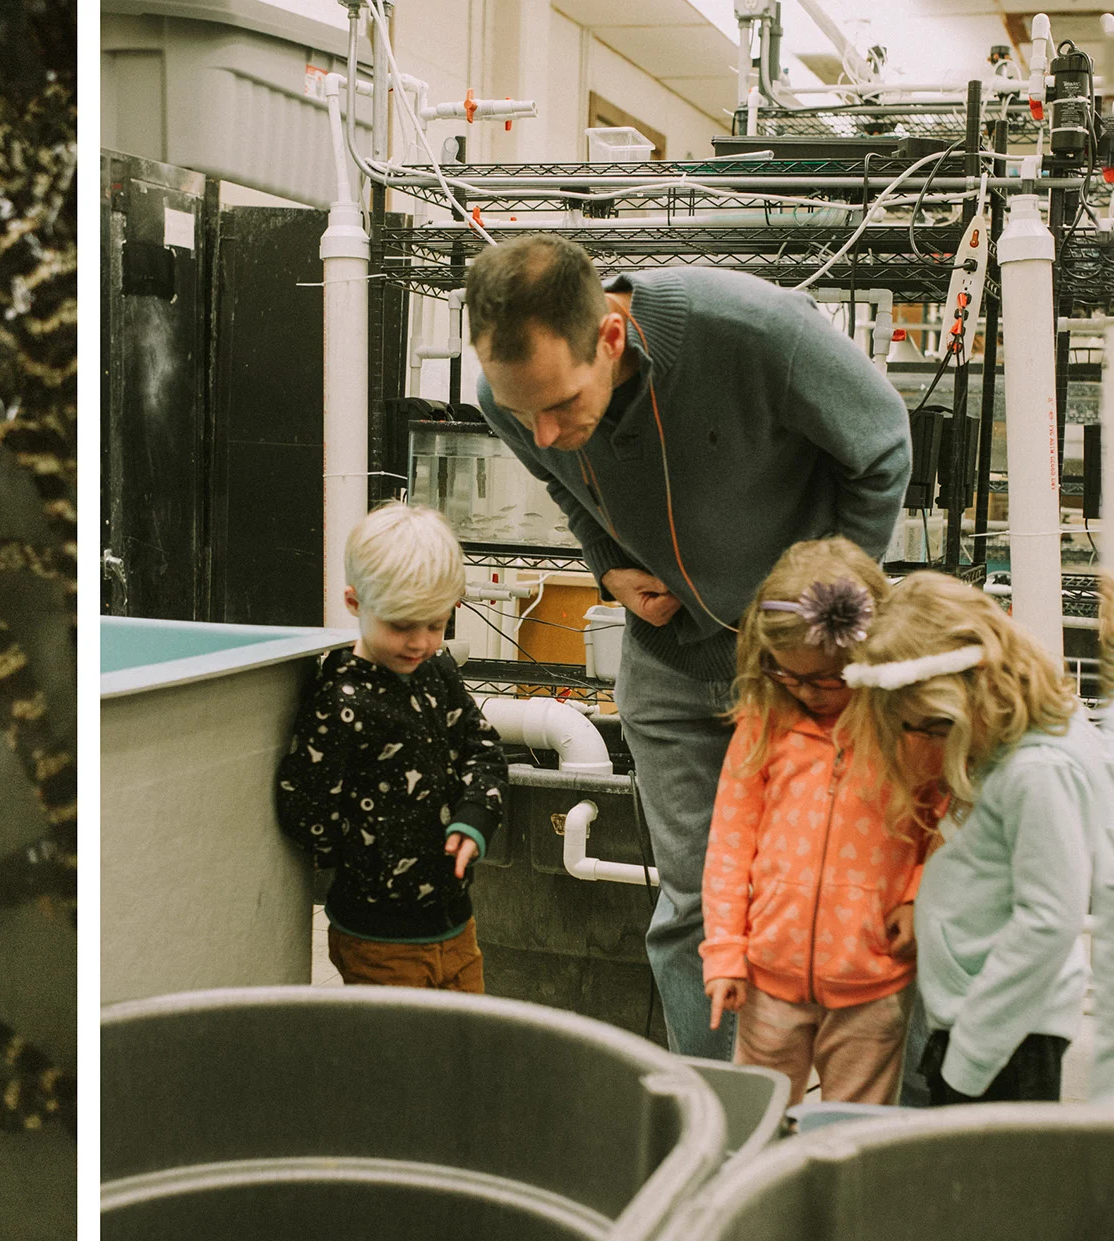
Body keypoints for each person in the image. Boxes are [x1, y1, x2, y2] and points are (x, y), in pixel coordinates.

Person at [465, 233, 912, 1058]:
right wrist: (608, 568)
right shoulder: (512, 399)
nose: (548, 431)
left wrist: (829, 616)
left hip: (808, 664)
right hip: (670, 661)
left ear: (609, 335)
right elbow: (565, 486)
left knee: (866, 890)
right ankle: (726, 1114)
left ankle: (896, 1131)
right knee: (696, 907)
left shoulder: (752, 333)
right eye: (522, 412)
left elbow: (882, 445)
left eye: (562, 404)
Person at [845, 572, 1107, 1103]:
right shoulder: (1007, 747)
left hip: (1003, 1038)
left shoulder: (1037, 771)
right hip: (979, 1020)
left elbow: (1048, 920)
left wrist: (968, 1061)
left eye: (933, 728)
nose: (923, 744)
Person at [700, 538, 933, 1108]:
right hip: (766, 983)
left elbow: (945, 822)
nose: (808, 692)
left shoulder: (907, 730)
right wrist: (725, 951)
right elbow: (729, 848)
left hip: (873, 984)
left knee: (854, 1134)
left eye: (829, 679)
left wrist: (918, 896)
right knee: (757, 1121)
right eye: (790, 676)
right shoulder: (762, 726)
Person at [275, 502, 507, 991]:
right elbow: (305, 802)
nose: (420, 642)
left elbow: (482, 748)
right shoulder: (340, 699)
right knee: (398, 1063)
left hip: (456, 926)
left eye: (436, 624)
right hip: (377, 940)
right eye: (402, 625)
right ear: (355, 603)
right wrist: (357, 855)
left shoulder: (439, 673)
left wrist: (474, 817)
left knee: (465, 1054)